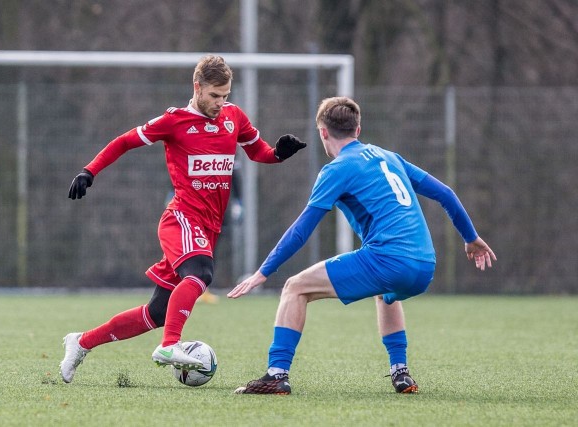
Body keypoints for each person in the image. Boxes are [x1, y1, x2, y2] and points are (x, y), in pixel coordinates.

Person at [59, 54, 306, 383]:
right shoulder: (174, 121)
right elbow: (124, 142)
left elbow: (256, 150)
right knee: (201, 273)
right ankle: (169, 346)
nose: (220, 103)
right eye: (214, 95)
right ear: (197, 87)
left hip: (208, 226)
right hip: (181, 219)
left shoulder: (234, 118)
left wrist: (278, 154)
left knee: (156, 313)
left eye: (226, 96)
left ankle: (81, 342)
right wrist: (89, 170)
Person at [228, 96, 496, 395]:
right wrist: (470, 238)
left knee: (294, 287)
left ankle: (276, 374)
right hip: (424, 264)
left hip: (388, 259)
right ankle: (401, 372)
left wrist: (264, 271)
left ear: (323, 132)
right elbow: (445, 193)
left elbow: (302, 229)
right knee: (386, 294)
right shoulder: (389, 157)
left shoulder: (337, 169)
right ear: (358, 129)